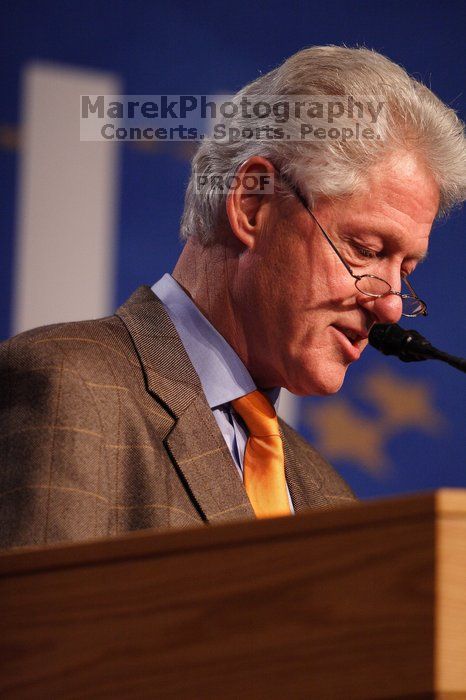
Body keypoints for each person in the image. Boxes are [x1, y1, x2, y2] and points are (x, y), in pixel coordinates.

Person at [0, 46, 464, 549]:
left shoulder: (328, 497)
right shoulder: (70, 389)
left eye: (407, 270)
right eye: (366, 249)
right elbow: (35, 628)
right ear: (252, 205)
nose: (391, 305)